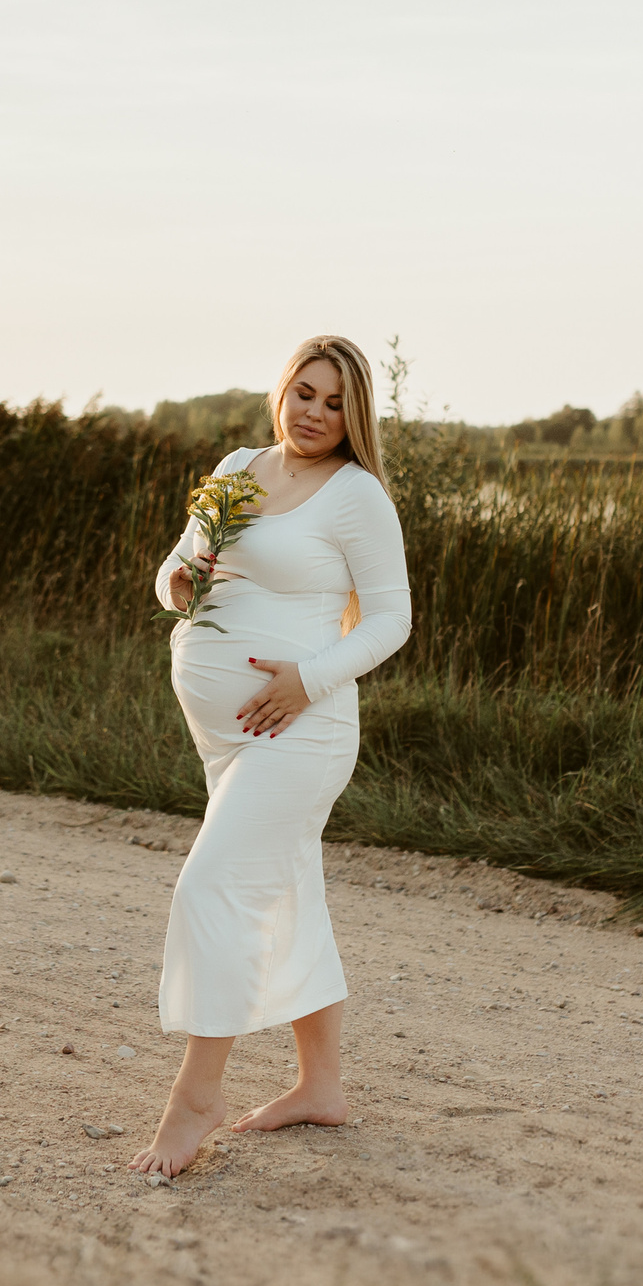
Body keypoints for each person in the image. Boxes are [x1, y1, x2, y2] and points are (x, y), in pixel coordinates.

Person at [130, 335, 412, 1180]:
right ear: (280, 391)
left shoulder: (358, 496)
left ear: (354, 415)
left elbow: (392, 620)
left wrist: (309, 679)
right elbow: (172, 571)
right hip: (226, 734)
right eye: (305, 394)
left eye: (335, 403)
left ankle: (197, 1098)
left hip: (304, 728)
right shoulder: (238, 464)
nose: (316, 414)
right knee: (288, 888)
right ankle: (320, 1084)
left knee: (213, 883)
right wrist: (179, 587)